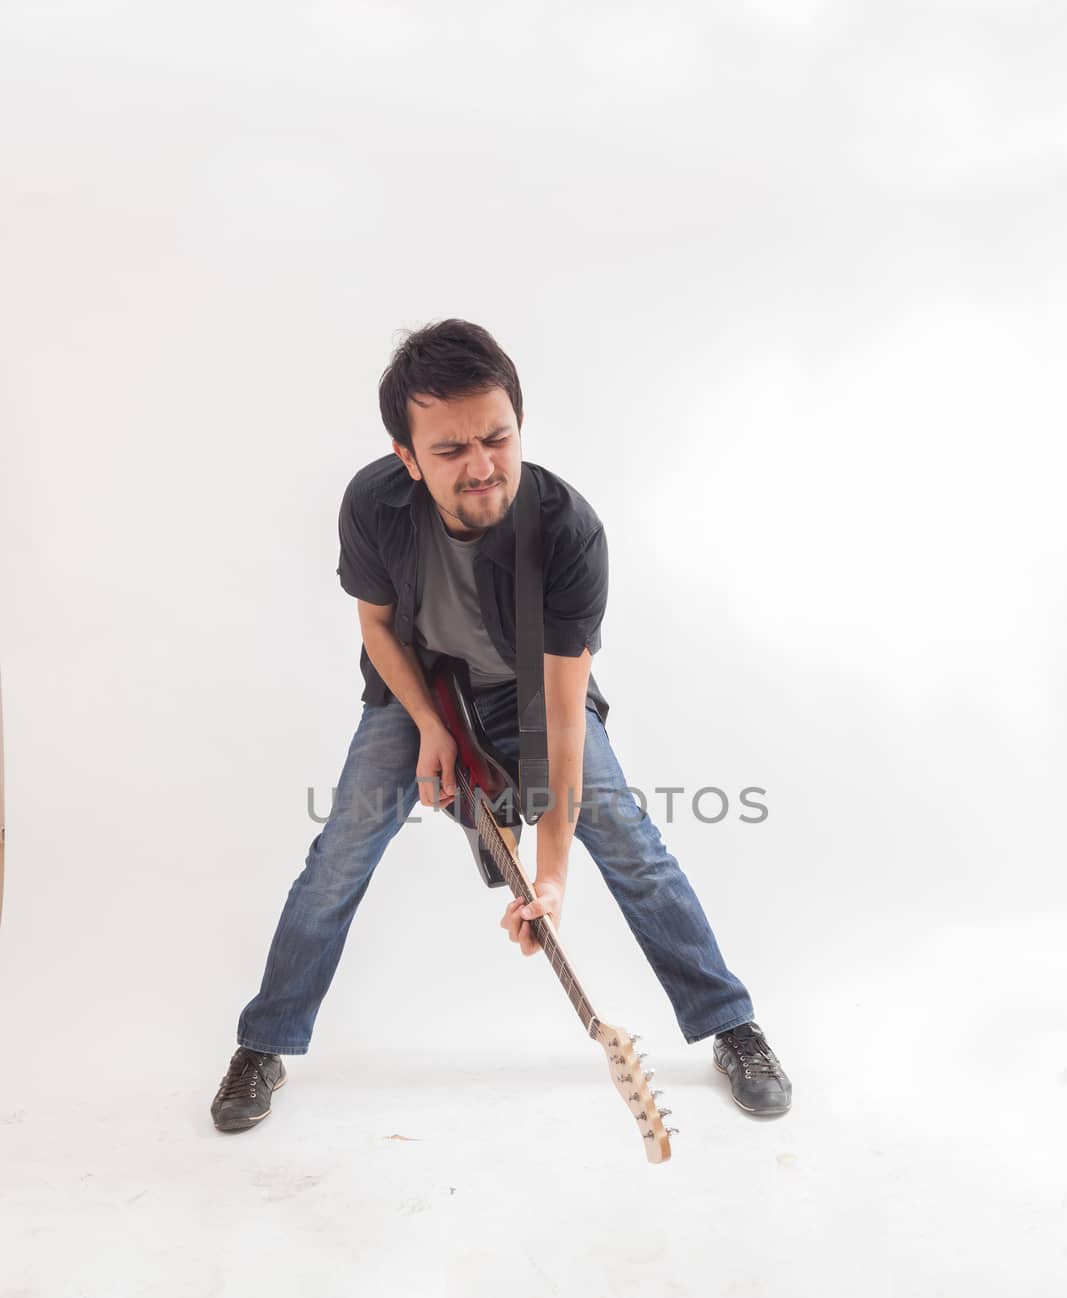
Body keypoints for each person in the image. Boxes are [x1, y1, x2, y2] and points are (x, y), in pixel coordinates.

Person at [210, 319, 791, 1133]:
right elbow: (376, 625)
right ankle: (262, 1043)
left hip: (531, 692)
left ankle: (733, 1027)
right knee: (337, 853)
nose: (481, 467)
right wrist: (428, 726)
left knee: (630, 845)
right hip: (419, 684)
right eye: (448, 451)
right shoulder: (373, 505)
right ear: (406, 458)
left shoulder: (567, 532)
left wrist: (549, 878)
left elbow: (559, 720)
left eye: (497, 438)